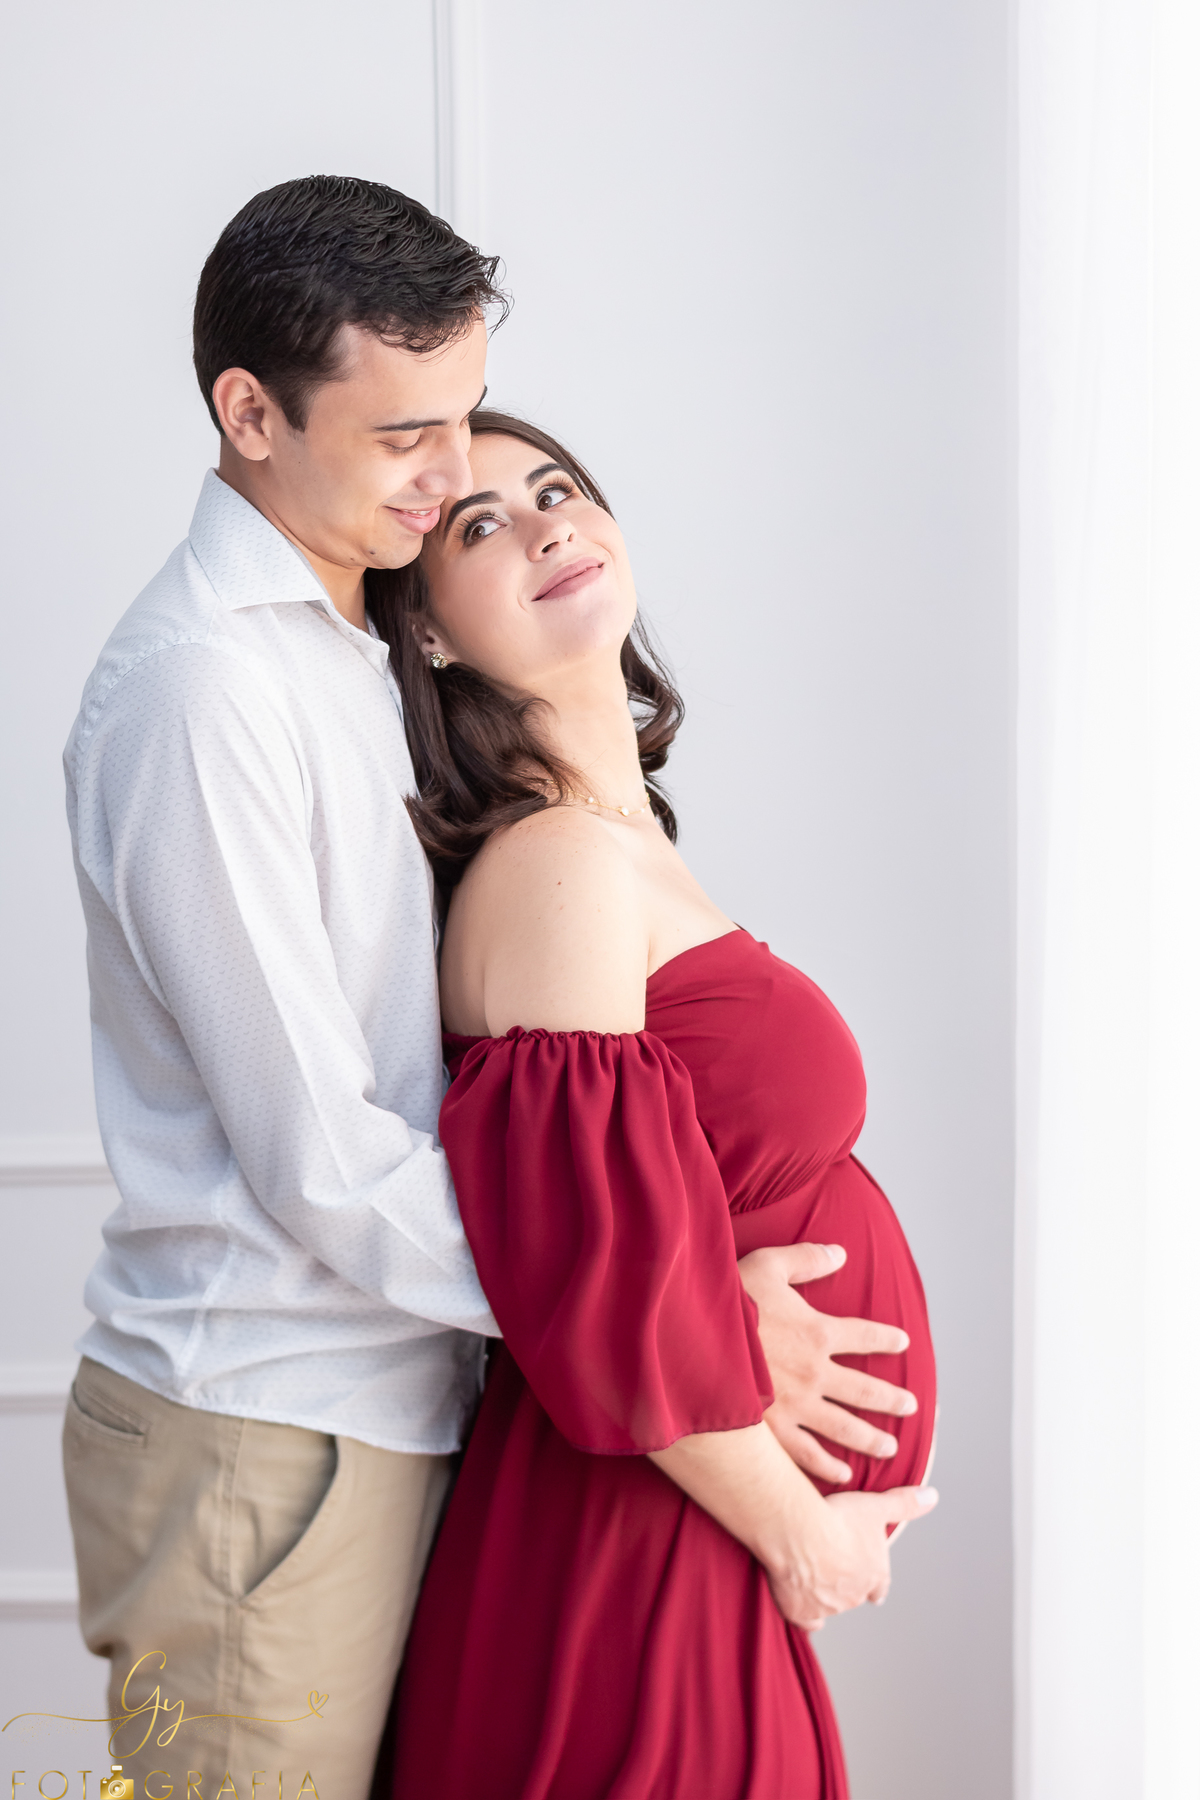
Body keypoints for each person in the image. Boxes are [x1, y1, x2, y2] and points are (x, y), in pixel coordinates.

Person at [62, 176, 921, 1800]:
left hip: (395, 1413)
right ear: (249, 413)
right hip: (274, 1431)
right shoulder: (203, 696)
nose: (454, 474)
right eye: (408, 441)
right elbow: (325, 1160)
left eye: (467, 420)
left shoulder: (342, 654)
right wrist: (683, 1331)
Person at [372, 411, 940, 1800]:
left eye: (557, 489)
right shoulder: (557, 863)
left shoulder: (624, 850)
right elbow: (600, 1287)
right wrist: (810, 1542)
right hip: (637, 1538)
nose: (548, 522)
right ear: (430, 634)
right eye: (483, 525)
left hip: (689, 1524)